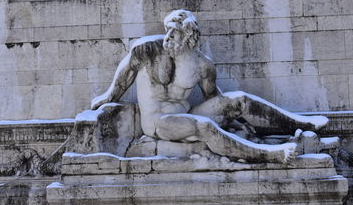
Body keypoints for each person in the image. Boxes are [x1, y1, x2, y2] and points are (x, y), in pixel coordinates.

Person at [91, 10, 328, 163]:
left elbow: (213, 97)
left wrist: (233, 116)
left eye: (175, 33)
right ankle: (270, 155)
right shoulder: (148, 50)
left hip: (185, 115)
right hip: (158, 123)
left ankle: (300, 123)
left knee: (239, 101)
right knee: (203, 126)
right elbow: (126, 73)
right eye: (168, 31)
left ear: (189, 37)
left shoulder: (202, 65)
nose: (169, 37)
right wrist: (108, 95)